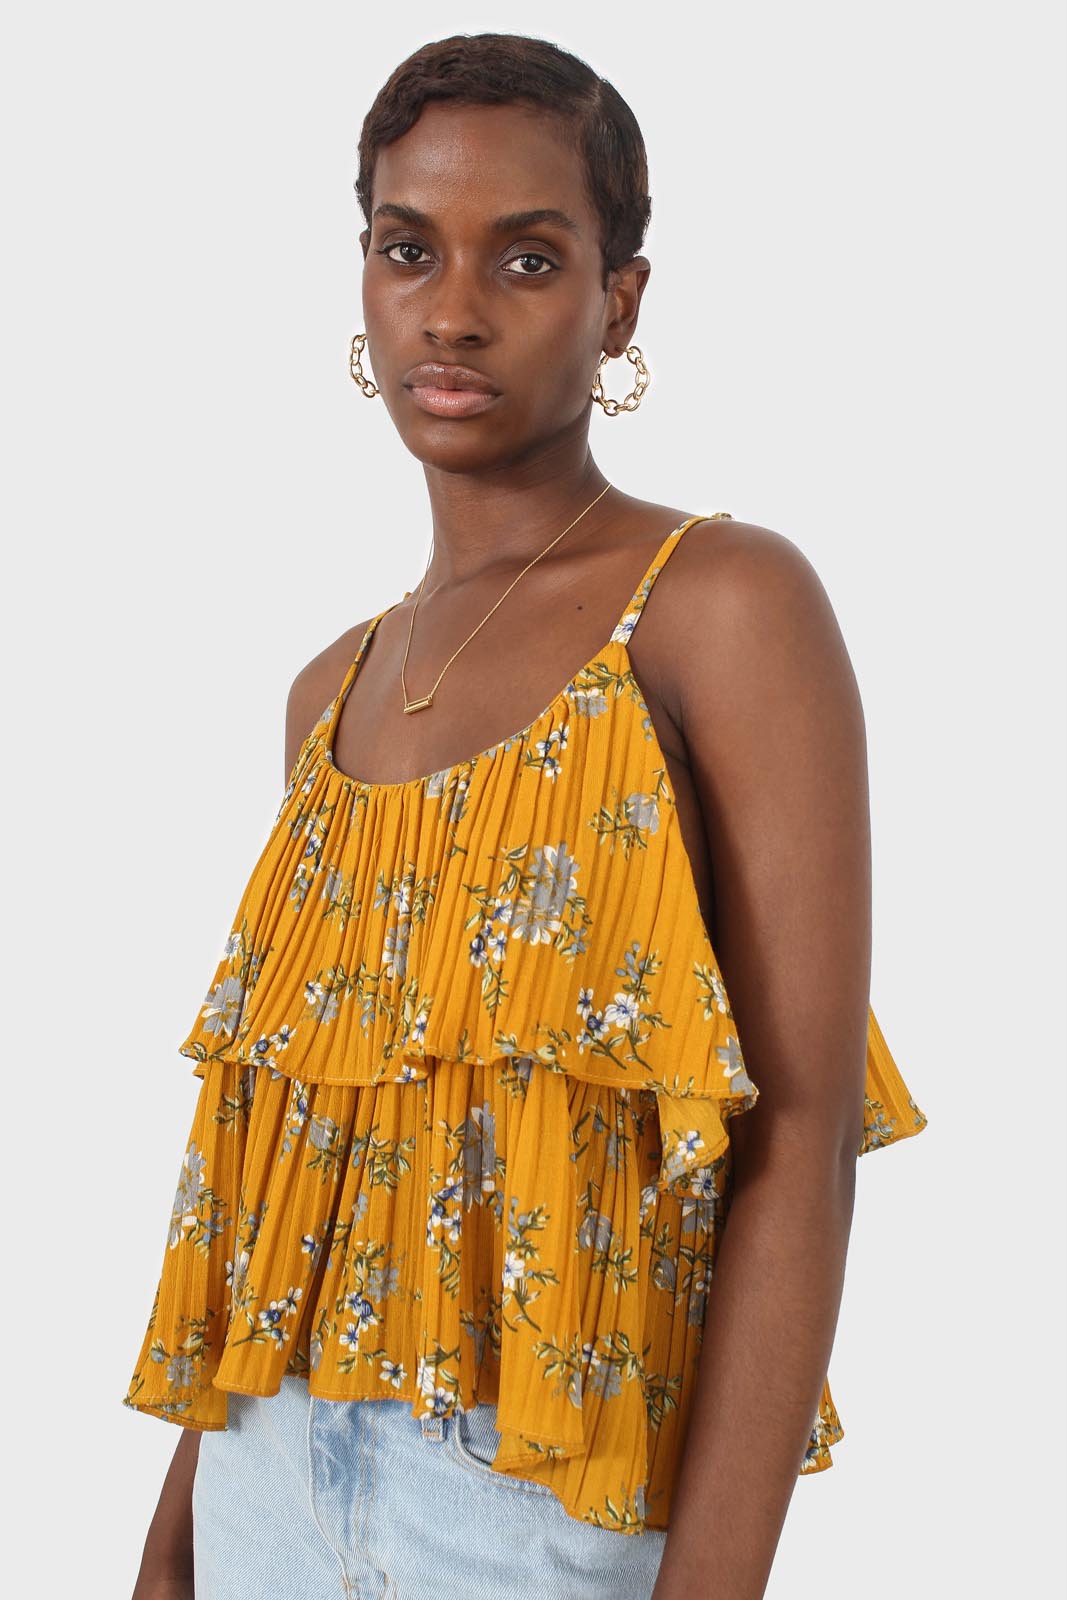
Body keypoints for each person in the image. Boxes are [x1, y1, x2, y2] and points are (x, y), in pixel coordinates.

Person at [126, 31, 928, 1600]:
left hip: (525, 1511)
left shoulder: (719, 603)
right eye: (407, 249)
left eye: (529, 258)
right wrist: (169, 1557)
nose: (453, 310)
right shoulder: (329, 691)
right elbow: (282, 1194)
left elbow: (804, 1142)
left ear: (619, 303)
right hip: (261, 1487)